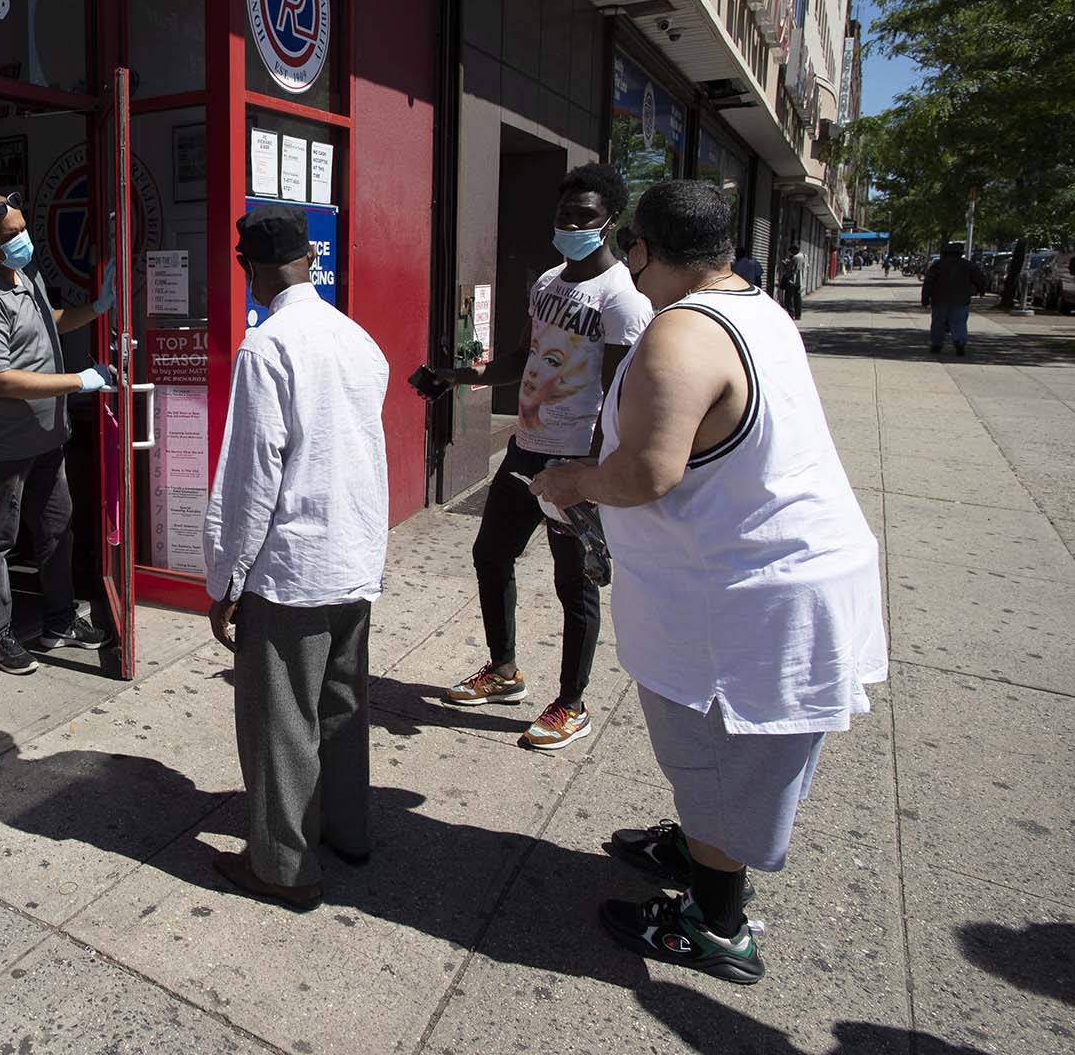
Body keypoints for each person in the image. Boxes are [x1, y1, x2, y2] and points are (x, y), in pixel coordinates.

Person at [528, 180, 885, 986]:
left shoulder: (677, 333)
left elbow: (650, 470)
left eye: (632, 255)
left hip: (748, 600)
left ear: (647, 250)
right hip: (781, 578)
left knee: (723, 758)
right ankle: (698, 842)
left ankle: (714, 923)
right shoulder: (757, 308)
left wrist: (575, 481)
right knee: (715, 763)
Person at [428, 163, 652, 750]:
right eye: (564, 213)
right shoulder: (550, 281)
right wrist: (454, 377)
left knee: (573, 586)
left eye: (584, 216)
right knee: (490, 555)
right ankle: (504, 671)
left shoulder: (622, 301)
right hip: (525, 451)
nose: (571, 223)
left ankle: (571, 703)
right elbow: (520, 359)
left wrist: (592, 479)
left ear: (610, 223)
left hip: (573, 464)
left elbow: (621, 397)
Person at [204, 204, 390, 910]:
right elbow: (366, 455)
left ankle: (283, 866)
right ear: (309, 262)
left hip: (290, 568)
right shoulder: (356, 338)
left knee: (281, 721)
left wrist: (225, 580)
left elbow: (251, 478)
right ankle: (349, 830)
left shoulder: (268, 345)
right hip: (350, 556)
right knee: (342, 706)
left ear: (250, 268)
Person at [0, 191, 117, 675]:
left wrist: (94, 309)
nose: (22, 240)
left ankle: (59, 621)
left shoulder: (24, 275)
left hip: (45, 437)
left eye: (22, 229)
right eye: (9, 236)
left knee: (58, 528)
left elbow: (49, 323)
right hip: (1, 443)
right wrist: (80, 380)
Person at [922, 241, 987, 355]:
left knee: (938, 323)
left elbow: (928, 282)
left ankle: (936, 344)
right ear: (960, 253)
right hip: (960, 299)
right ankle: (959, 342)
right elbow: (979, 279)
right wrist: (981, 289)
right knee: (959, 323)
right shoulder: (967, 265)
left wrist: (925, 297)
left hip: (939, 299)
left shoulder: (938, 265)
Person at [776, 241, 804, 319]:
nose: (791, 252)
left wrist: (785, 264)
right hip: (799, 280)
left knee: (788, 298)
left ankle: (790, 314)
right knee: (797, 298)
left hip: (791, 280)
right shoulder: (802, 256)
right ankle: (798, 315)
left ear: (795, 250)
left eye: (791, 251)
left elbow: (790, 268)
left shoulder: (795, 257)